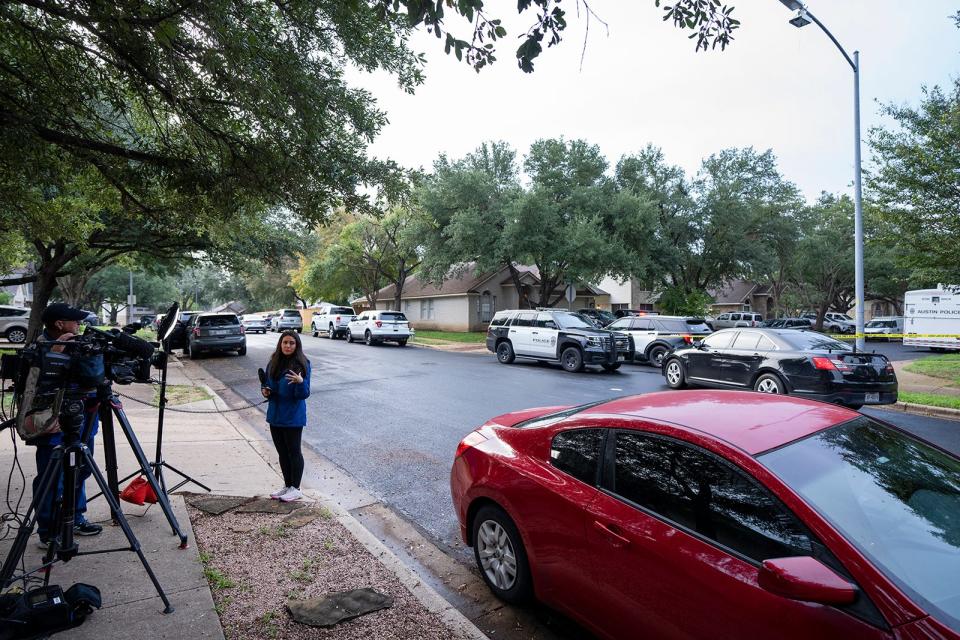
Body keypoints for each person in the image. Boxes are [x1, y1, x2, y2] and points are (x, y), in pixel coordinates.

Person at [32, 303, 105, 548]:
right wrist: (57, 350)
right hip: (54, 422)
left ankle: (75, 517)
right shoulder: (39, 348)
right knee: (52, 475)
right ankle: (49, 530)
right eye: (75, 321)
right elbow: (35, 386)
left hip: (83, 414)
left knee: (80, 467)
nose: (80, 325)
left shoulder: (79, 344)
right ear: (59, 324)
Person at [261, 330, 311, 502]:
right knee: (282, 452)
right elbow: (268, 385)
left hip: (293, 416)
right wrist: (266, 391)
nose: (288, 346)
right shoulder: (273, 363)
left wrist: (300, 383)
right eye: (285, 342)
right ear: (280, 344)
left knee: (293, 452)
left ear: (296, 345)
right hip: (275, 414)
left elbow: (304, 394)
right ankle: (287, 485)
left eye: (291, 343)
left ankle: (296, 488)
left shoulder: (303, 364)